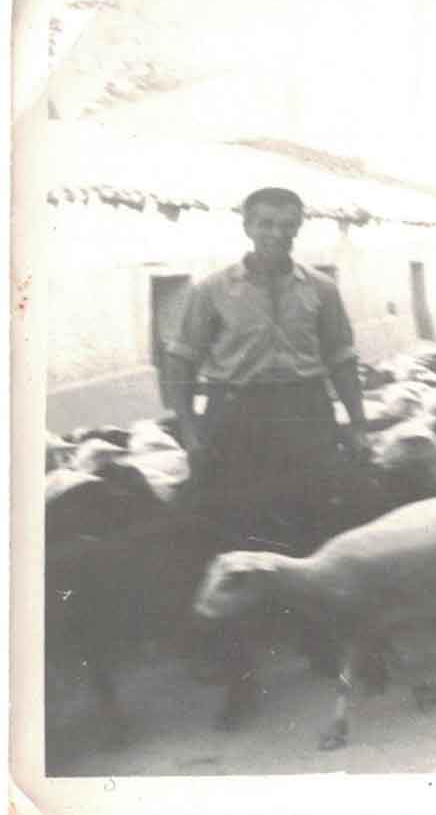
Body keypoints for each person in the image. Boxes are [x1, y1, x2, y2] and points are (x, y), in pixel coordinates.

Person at [162, 186, 370, 728]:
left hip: (304, 415)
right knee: (234, 549)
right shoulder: (211, 291)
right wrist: (188, 429)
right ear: (248, 226)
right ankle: (241, 679)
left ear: (299, 227)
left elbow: (342, 358)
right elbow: (180, 362)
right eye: (267, 223)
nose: (277, 233)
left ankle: (320, 645)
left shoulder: (321, 290)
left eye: (287, 224)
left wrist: (357, 422)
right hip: (237, 420)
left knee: (313, 534)